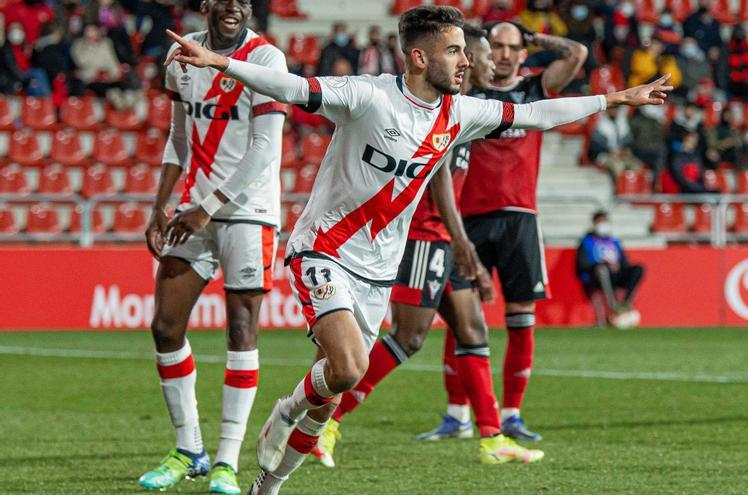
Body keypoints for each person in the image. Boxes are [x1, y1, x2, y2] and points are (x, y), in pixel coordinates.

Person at [162, 6, 672, 493]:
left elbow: (536, 113)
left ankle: (267, 484)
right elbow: (294, 87)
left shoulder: (460, 112)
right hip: (324, 250)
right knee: (346, 369)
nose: (468, 60)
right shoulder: (367, 96)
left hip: (378, 271)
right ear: (420, 58)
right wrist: (223, 63)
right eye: (454, 51)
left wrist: (616, 98)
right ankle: (286, 408)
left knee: (330, 395)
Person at [310, 24, 543, 469]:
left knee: (473, 333)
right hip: (424, 235)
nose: (484, 63)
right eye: (479, 54)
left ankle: (493, 437)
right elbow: (437, 177)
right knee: (408, 337)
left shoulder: (462, 110)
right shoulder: (440, 108)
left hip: (446, 238)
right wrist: (462, 241)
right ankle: (330, 421)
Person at [137, 0, 288, 492]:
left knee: (241, 329)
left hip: (248, 208)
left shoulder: (266, 60)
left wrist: (209, 205)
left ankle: (226, 459)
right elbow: (179, 137)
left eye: (243, 1)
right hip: (191, 209)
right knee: (165, 326)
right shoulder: (181, 54)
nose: (233, 7)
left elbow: (265, 149)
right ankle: (190, 449)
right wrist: (161, 204)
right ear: (206, 4)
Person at [444, 20, 587, 442]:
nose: (504, 54)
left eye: (512, 47)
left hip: (520, 215)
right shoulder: (469, 90)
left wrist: (533, 38)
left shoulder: (535, 91)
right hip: (467, 219)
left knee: (521, 318)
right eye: (497, 47)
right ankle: (457, 415)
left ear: (523, 53)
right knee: (459, 320)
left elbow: (576, 54)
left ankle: (511, 415)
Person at [576, 211, 644, 319]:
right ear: (594, 223)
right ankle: (613, 306)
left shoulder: (614, 241)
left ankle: (626, 302)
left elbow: (624, 263)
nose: (603, 225)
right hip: (596, 278)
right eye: (600, 221)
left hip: (615, 276)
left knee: (638, 269)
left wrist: (617, 265)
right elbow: (582, 265)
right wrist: (603, 264)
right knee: (602, 270)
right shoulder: (587, 242)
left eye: (605, 221)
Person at [590, 105, 642, 177]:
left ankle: (634, 188)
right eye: (612, 109)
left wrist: (627, 149)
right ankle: (620, 188)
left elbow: (629, 142)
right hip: (606, 155)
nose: (614, 111)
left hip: (622, 154)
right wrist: (610, 151)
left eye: (616, 109)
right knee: (618, 167)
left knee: (637, 165)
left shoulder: (622, 122)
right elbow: (595, 147)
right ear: (607, 110)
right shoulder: (601, 124)